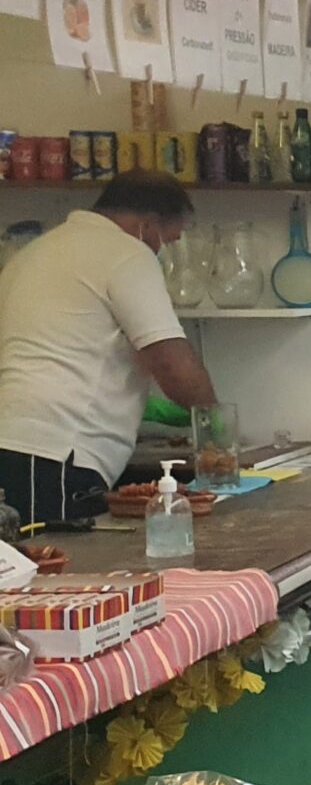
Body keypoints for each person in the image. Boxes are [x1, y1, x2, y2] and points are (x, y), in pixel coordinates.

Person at [0, 172, 218, 523]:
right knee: (64, 557)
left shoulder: (34, 252)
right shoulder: (128, 253)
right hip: (58, 453)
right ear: (147, 226)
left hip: (13, 441)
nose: (162, 250)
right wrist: (216, 428)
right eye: (167, 240)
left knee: (17, 557)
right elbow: (172, 365)